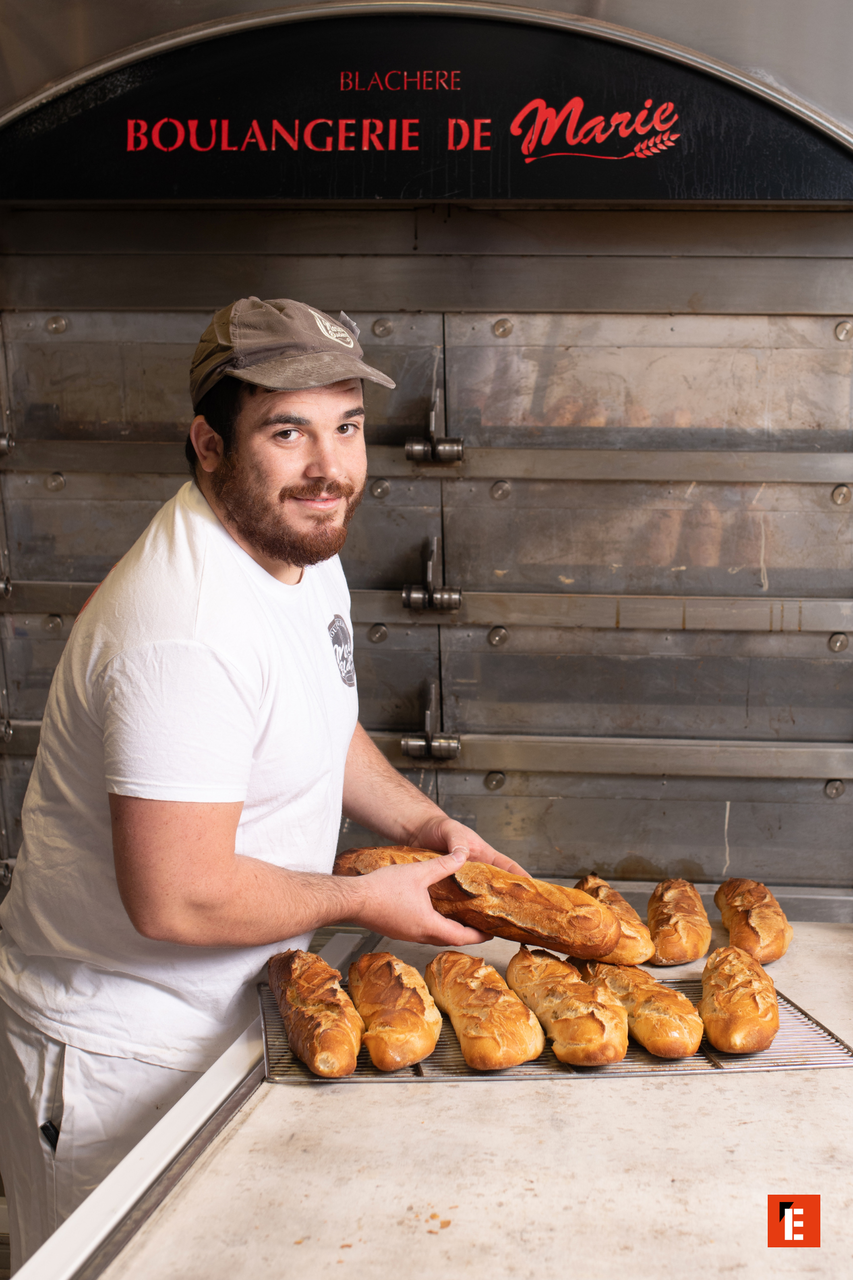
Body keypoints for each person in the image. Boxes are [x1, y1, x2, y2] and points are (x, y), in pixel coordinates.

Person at [0, 297, 523, 1270]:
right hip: (125, 1057)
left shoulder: (292, 545)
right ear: (209, 444)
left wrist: (430, 823)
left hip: (239, 1017)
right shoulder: (183, 626)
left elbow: (314, 720)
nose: (330, 467)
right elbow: (176, 892)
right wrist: (370, 897)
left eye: (347, 427)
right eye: (288, 431)